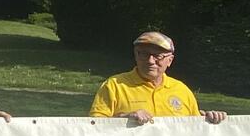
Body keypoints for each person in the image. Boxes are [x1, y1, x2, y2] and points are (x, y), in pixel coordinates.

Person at [90, 31, 226, 124]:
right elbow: (94, 126)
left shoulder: (181, 90)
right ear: (136, 56)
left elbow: (194, 130)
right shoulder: (114, 85)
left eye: (158, 56)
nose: (150, 60)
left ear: (170, 60)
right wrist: (126, 117)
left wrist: (210, 120)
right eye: (143, 54)